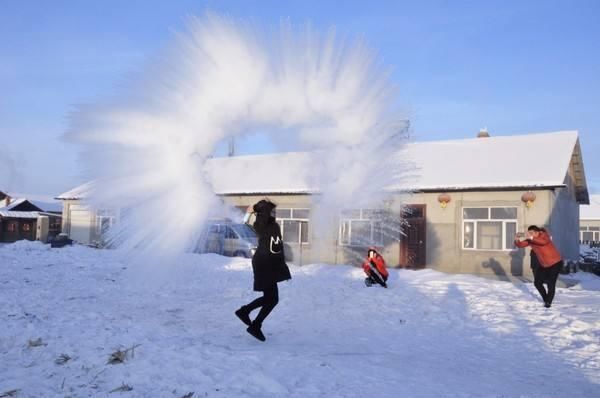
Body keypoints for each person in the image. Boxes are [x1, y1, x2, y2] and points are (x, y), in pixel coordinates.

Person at [235, 199, 291, 341]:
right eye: (271, 210)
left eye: (274, 211)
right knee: (272, 298)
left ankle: (246, 314)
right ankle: (252, 321)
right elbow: (258, 218)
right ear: (264, 212)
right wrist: (254, 208)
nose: (274, 213)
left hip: (270, 264)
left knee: (271, 298)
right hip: (264, 263)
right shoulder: (261, 224)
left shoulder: (272, 225)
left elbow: (277, 247)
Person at [515, 226, 563, 308]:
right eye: (529, 233)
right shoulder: (531, 240)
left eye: (531, 233)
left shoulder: (544, 236)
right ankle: (545, 299)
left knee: (550, 283)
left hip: (555, 263)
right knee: (537, 283)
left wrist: (530, 237)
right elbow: (520, 245)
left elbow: (543, 242)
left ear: (537, 232)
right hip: (544, 264)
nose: (529, 235)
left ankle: (548, 302)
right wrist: (516, 239)